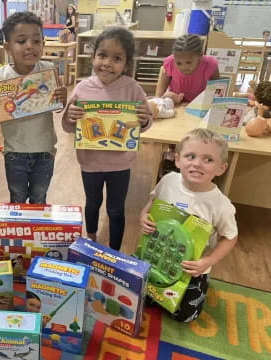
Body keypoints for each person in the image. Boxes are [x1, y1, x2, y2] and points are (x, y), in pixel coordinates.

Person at [62, 27, 154, 250]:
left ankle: (115, 251)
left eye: (117, 58)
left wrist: (143, 119)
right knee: (92, 203)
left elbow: (146, 122)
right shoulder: (82, 88)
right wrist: (71, 117)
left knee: (115, 209)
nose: (107, 63)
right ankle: (91, 239)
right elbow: (67, 126)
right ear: (93, 56)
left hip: (120, 163)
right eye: (102, 55)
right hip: (90, 162)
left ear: (127, 63)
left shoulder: (133, 89)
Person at [140, 128, 238, 322]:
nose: (197, 164)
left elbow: (230, 237)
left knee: (185, 316)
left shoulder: (220, 205)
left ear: (221, 168)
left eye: (208, 159)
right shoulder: (168, 181)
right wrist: (143, 216)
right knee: (142, 297)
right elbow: (151, 204)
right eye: (190, 156)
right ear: (177, 160)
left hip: (191, 268)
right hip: (157, 255)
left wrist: (206, 263)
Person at [0, 11, 67, 204]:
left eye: (36, 41)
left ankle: (35, 233)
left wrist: (62, 98)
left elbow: (58, 107)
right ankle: (18, 234)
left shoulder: (48, 71)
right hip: (15, 153)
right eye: (21, 41)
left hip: (44, 151)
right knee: (17, 199)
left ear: (43, 44)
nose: (30, 46)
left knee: (39, 199)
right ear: (8, 47)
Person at [157, 34, 220, 104]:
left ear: (200, 56)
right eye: (179, 63)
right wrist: (165, 96)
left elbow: (217, 93)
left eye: (188, 62)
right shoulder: (170, 63)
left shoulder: (210, 65)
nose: (183, 67)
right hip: (176, 104)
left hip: (200, 106)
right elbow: (158, 98)